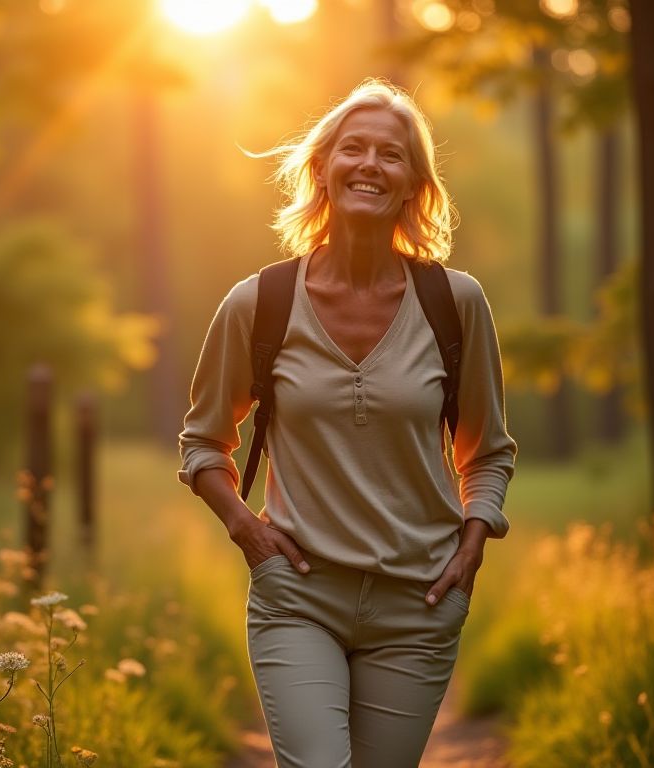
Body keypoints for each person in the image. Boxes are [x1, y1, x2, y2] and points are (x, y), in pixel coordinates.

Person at [177, 78, 517, 768]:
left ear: (414, 183)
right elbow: (203, 443)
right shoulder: (258, 303)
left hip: (419, 603)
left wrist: (474, 542)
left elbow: (487, 452)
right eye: (353, 148)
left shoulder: (456, 303)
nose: (370, 164)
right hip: (299, 597)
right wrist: (246, 531)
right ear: (322, 168)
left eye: (392, 154)